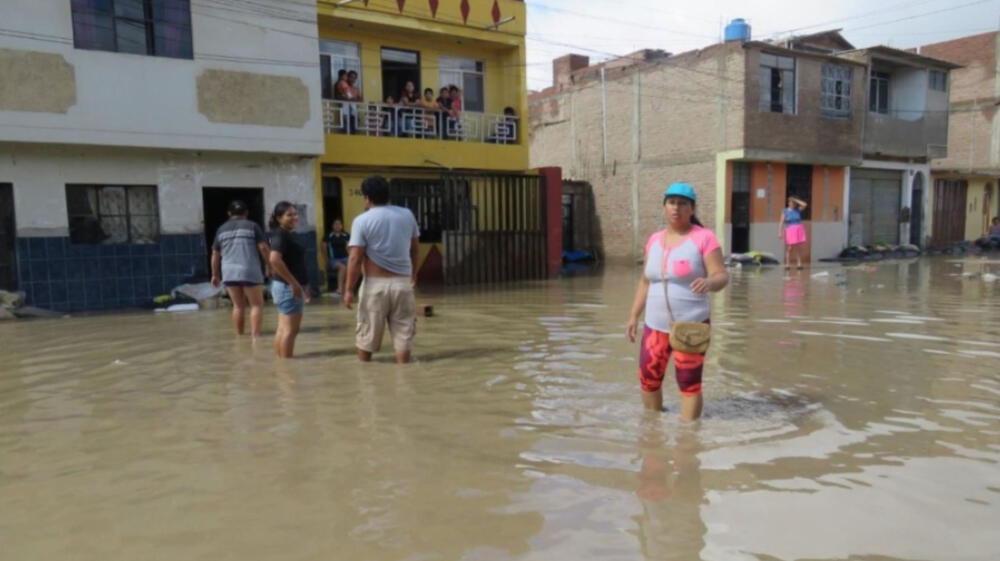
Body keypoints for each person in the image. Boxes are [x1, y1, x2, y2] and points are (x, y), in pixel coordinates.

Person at [626, 182, 728, 419]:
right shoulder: (653, 240)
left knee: (688, 382)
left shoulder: (704, 238)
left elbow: (722, 275)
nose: (676, 208)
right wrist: (633, 316)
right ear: (664, 207)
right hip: (654, 326)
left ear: (692, 209)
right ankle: (654, 430)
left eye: (683, 204)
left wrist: (710, 282)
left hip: (691, 326)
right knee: (648, 379)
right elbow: (645, 281)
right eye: (671, 203)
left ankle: (689, 439)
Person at [344, 176, 420, 364]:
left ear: (367, 197)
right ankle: (404, 379)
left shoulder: (362, 220)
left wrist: (348, 290)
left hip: (374, 286)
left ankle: (365, 380)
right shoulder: (407, 215)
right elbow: (415, 249)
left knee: (366, 337)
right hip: (403, 284)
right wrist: (414, 275)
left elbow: (355, 258)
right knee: (403, 338)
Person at [210, 200, 270, 337]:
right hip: (250, 271)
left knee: (238, 306)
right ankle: (256, 338)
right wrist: (270, 266)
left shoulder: (221, 229)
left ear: (229, 214)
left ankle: (239, 337)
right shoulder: (252, 226)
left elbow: (215, 254)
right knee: (256, 305)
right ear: (247, 213)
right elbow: (263, 248)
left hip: (229, 272)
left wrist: (215, 274)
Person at [268, 202, 310, 358]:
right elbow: (274, 260)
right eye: (289, 215)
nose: (294, 217)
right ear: (279, 218)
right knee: (290, 331)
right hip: (287, 287)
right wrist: (294, 283)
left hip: (282, 286)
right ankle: (286, 367)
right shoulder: (281, 234)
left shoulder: (282, 234)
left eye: (295, 214)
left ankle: (281, 363)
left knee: (283, 329)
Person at [322, 218, 350, 295]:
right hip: (333, 260)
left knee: (352, 266)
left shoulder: (346, 235)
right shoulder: (329, 236)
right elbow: (323, 247)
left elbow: (349, 247)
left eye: (339, 224)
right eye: (335, 224)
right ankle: (340, 289)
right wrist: (326, 260)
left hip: (345, 258)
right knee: (342, 267)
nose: (337, 226)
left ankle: (348, 289)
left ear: (342, 226)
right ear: (332, 226)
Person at [779, 196, 808, 269]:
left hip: (798, 228)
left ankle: (799, 264)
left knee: (798, 247)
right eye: (790, 202)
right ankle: (787, 264)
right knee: (790, 247)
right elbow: (781, 222)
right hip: (790, 229)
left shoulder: (797, 210)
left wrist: (796, 199)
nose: (792, 204)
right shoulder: (785, 211)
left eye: (793, 203)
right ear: (788, 203)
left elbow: (804, 204)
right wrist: (779, 232)